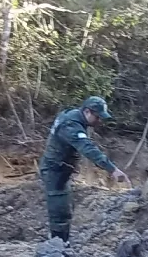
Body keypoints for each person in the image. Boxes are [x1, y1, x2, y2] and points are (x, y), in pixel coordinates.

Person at [39, 96, 131, 243]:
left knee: (66, 207)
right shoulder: (71, 125)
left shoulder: (74, 117)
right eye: (98, 117)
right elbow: (88, 149)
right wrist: (112, 169)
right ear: (87, 111)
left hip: (61, 171)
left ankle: (61, 242)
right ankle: (57, 245)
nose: (100, 121)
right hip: (54, 171)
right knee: (59, 210)